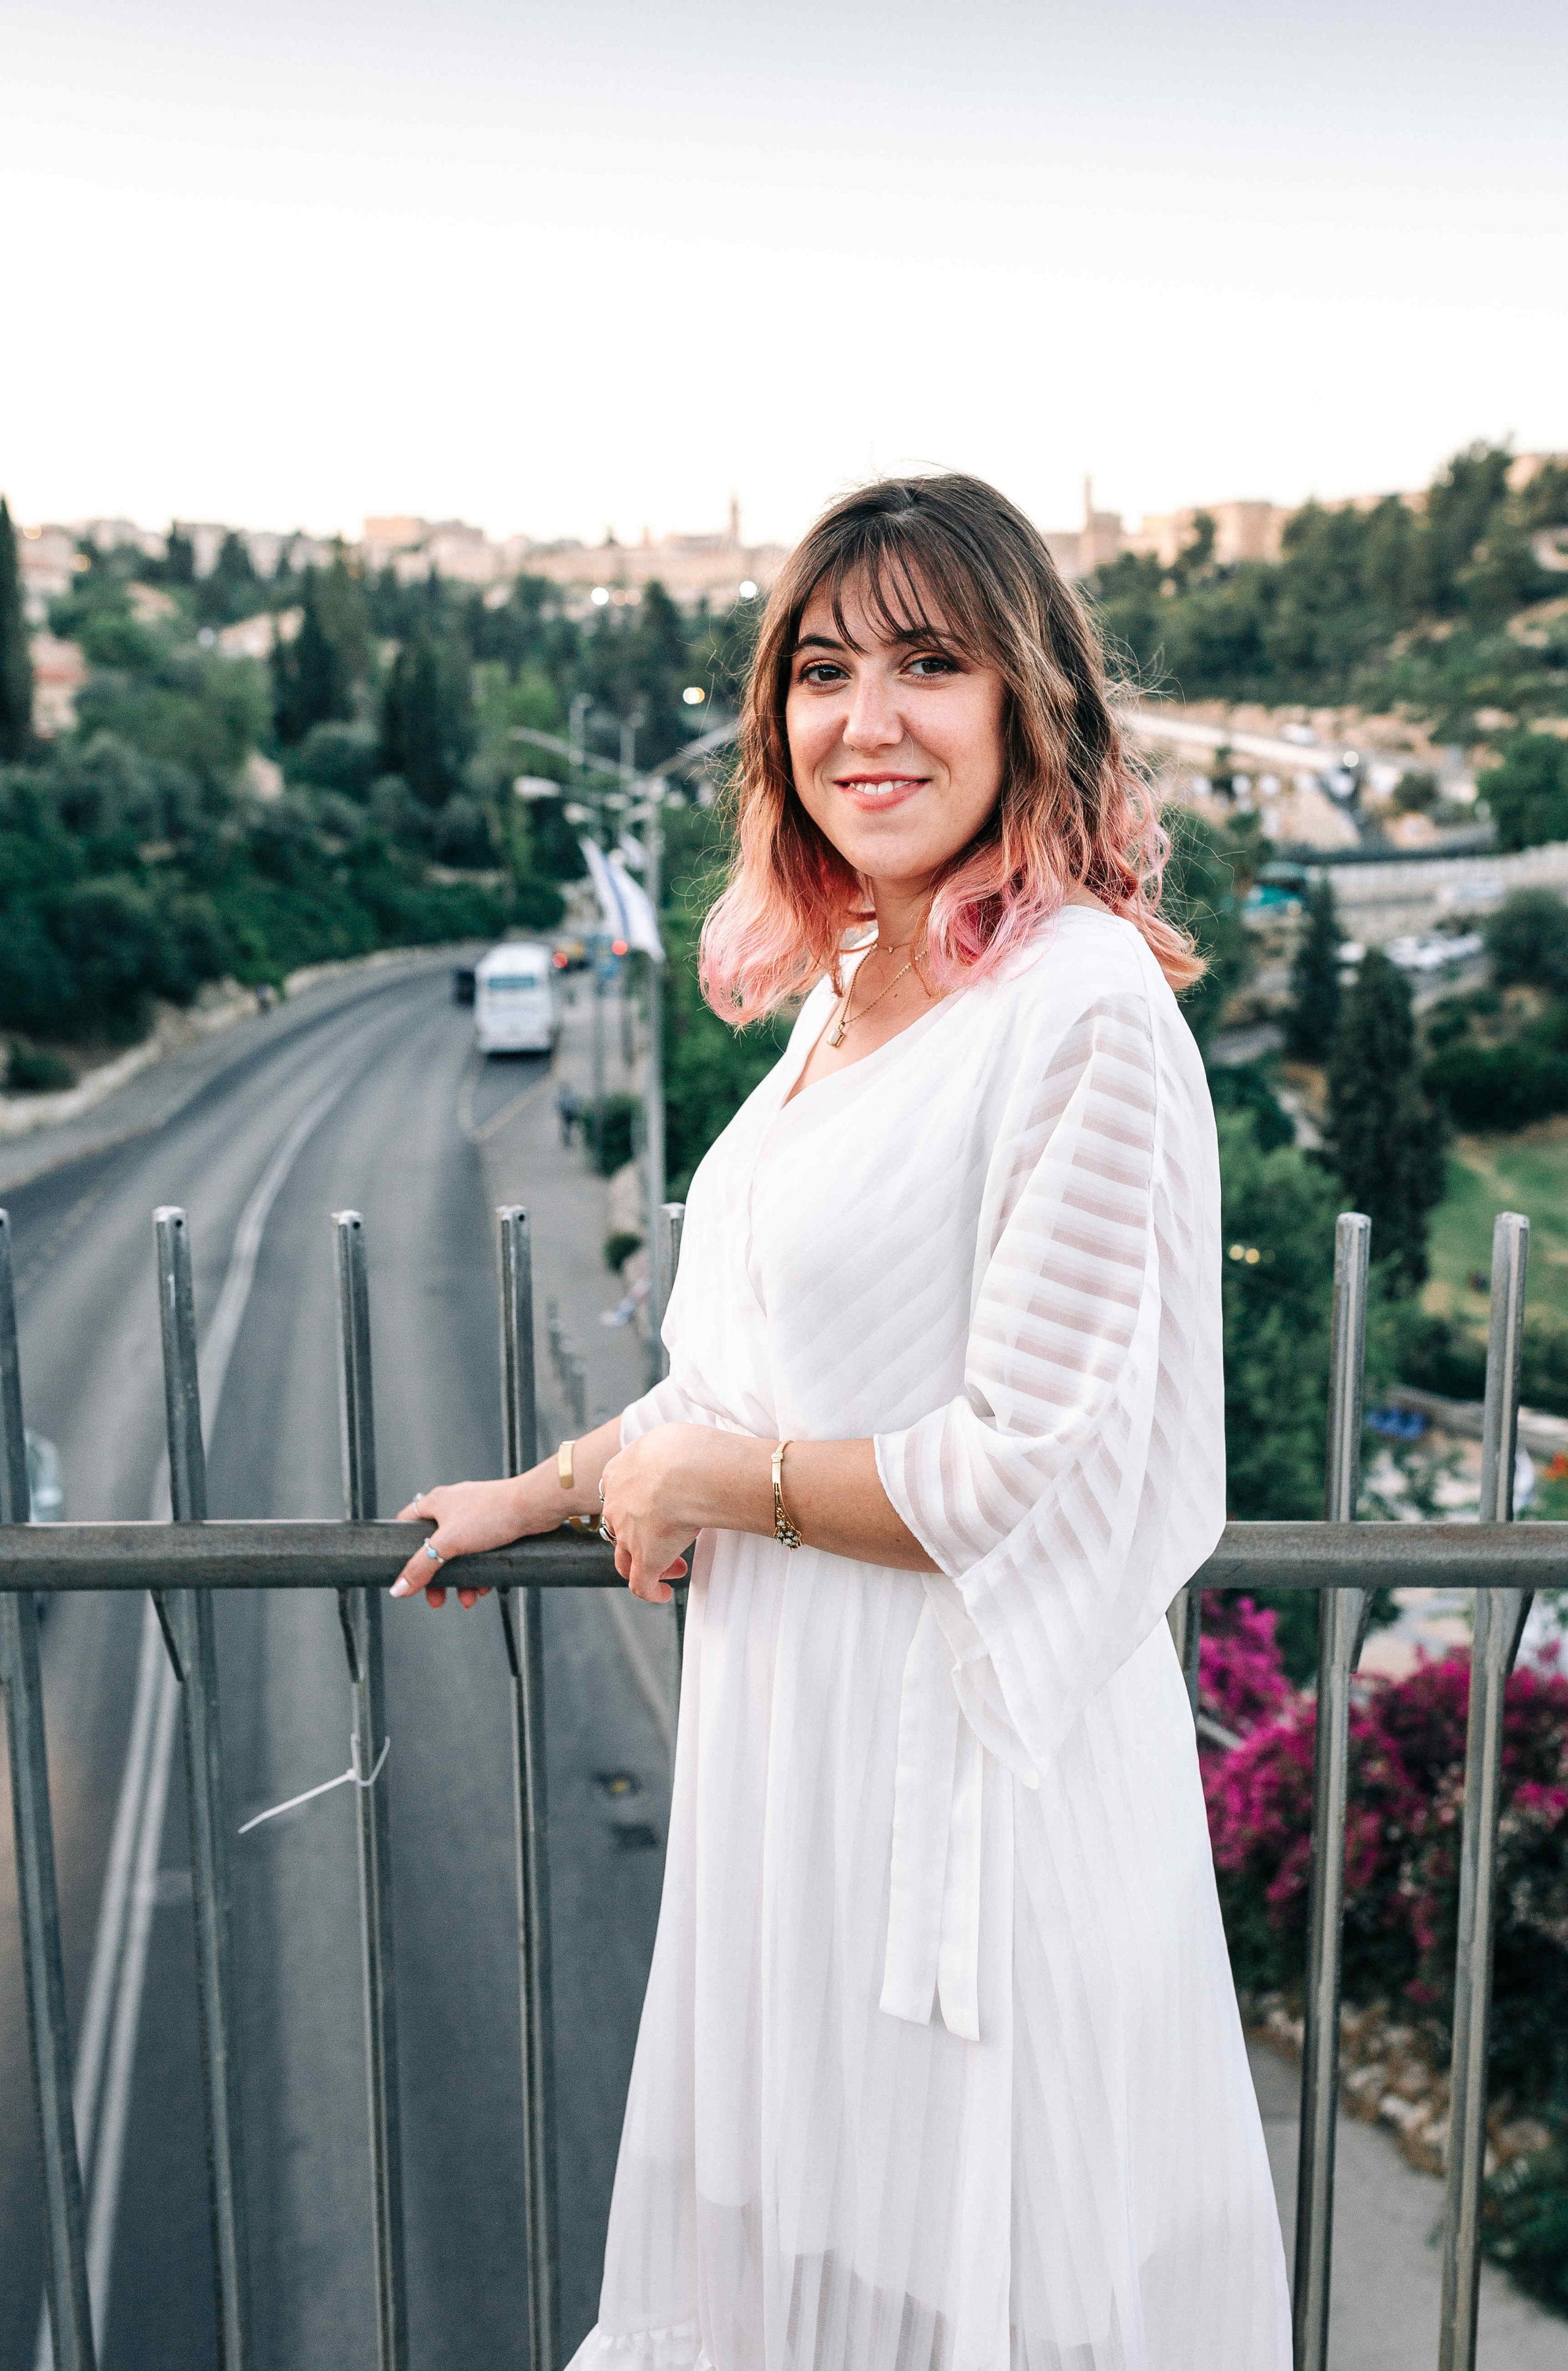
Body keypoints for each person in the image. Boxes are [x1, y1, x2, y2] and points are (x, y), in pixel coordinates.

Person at [393, 475, 1291, 2370]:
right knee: (819, 2275)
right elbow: (754, 1362)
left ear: (1025, 699)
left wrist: (713, 1484)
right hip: (791, 1756)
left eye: (928, 663)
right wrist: (556, 1485)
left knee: (980, 2281)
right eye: (822, 669)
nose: (865, 720)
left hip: (964, 1790)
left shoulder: (1084, 1007)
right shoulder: (866, 978)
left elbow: (1035, 1461)